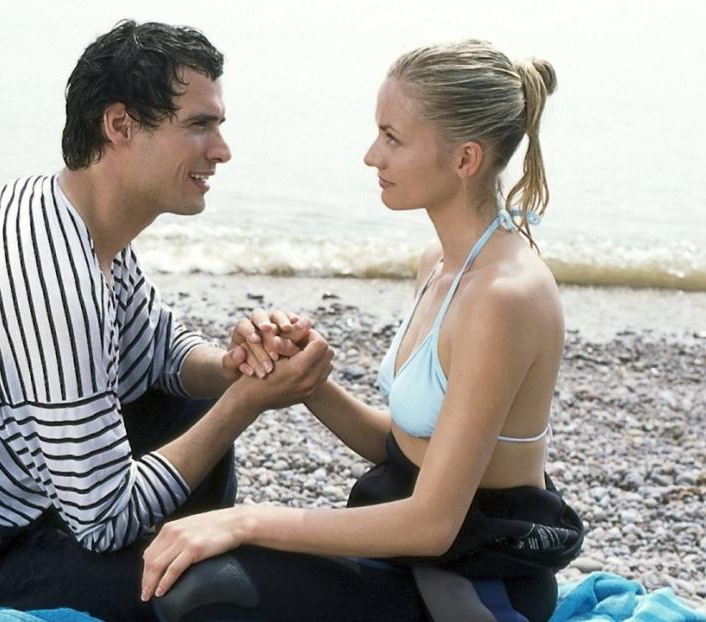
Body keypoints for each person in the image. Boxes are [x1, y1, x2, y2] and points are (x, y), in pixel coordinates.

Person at [0, 20, 333, 622]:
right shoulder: (53, 277)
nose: (222, 150)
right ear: (120, 125)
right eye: (199, 126)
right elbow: (104, 521)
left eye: (219, 126)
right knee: (214, 585)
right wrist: (248, 403)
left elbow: (159, 353)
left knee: (193, 411)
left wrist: (234, 366)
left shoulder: (65, 210)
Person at [141, 40, 584, 622]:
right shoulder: (442, 262)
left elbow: (432, 523)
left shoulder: (503, 298)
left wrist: (246, 518)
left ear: (465, 159)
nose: (372, 156)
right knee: (195, 576)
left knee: (202, 592)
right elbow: (406, 448)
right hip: (412, 551)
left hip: (472, 581)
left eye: (393, 138)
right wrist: (307, 378)